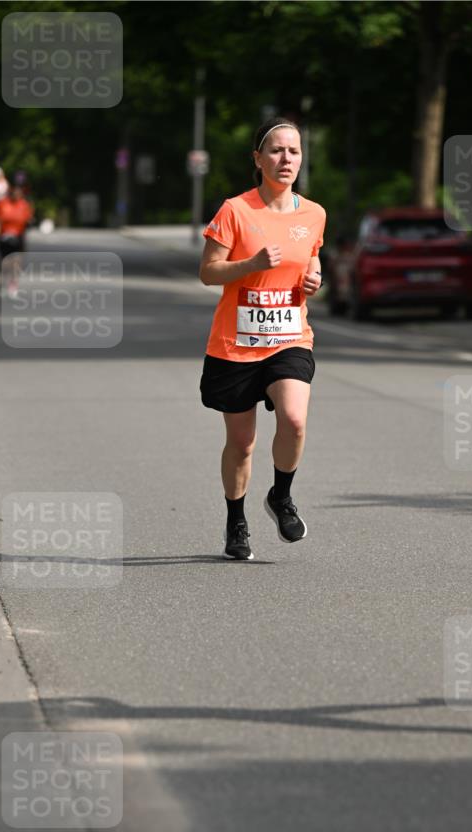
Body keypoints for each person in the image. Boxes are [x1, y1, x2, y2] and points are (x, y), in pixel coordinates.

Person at [199, 117, 326, 560]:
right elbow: (208, 271)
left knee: (293, 420)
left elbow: (310, 261)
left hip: (290, 336)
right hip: (236, 343)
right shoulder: (236, 210)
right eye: (276, 150)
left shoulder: (314, 214)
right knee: (242, 442)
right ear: (258, 159)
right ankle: (236, 521)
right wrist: (249, 263)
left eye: (293, 151)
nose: (285, 158)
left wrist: (315, 278)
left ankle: (281, 495)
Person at [0, 184, 33, 296]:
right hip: (4, 236)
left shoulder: (24, 205)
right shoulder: (3, 204)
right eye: (14, 192)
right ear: (11, 193)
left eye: (18, 193)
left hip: (18, 236)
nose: (16, 195)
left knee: (16, 262)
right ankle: (2, 284)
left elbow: (28, 219)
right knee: (3, 262)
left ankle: (13, 284)